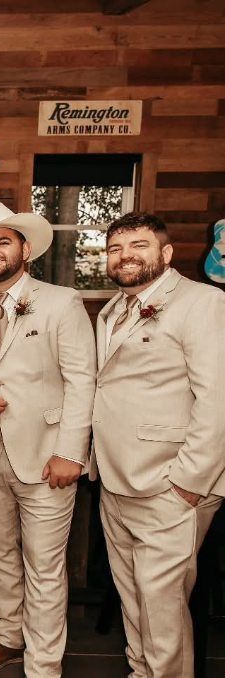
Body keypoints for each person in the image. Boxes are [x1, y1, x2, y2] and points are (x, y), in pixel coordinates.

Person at [0, 203, 97, 676]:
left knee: (45, 563)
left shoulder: (61, 301)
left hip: (48, 452)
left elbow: (81, 380)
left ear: (25, 250)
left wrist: (71, 451)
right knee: (0, 553)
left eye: (3, 241)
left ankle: (44, 664)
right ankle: (8, 635)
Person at [93, 212, 225, 678]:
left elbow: (218, 399)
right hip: (115, 478)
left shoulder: (203, 303)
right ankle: (140, 671)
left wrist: (187, 483)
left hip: (170, 482)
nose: (125, 256)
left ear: (166, 254)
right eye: (115, 249)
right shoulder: (113, 309)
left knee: (163, 605)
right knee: (134, 595)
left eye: (139, 246)